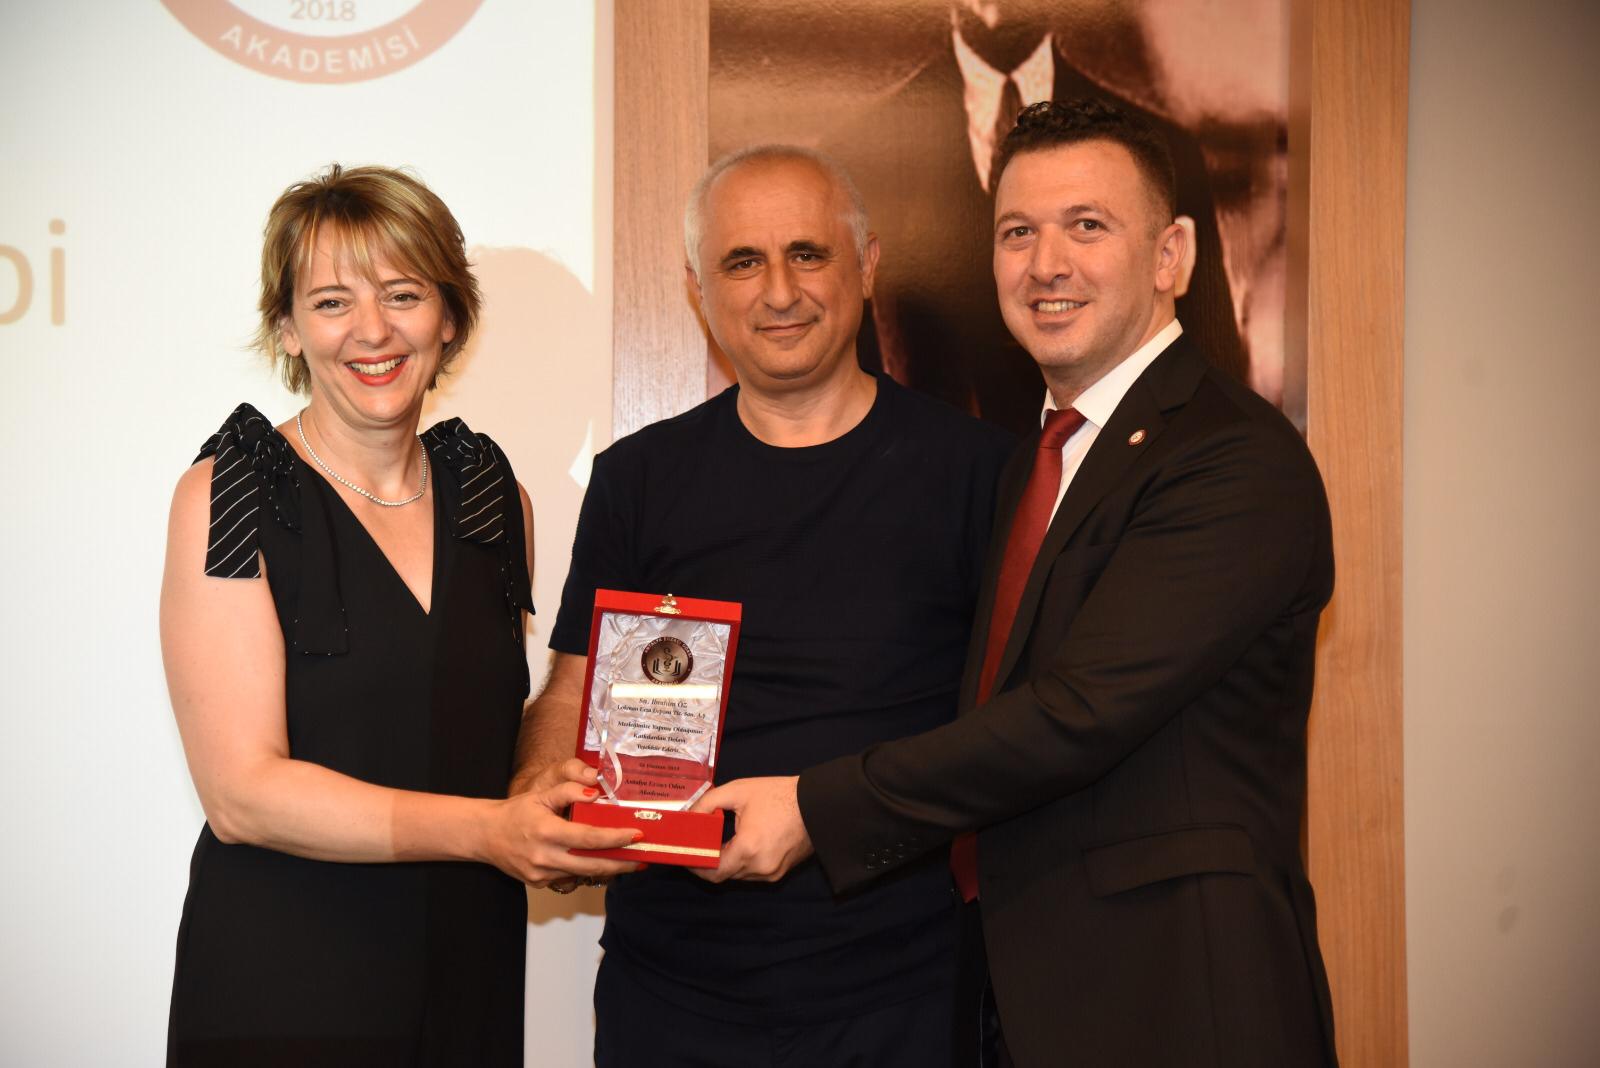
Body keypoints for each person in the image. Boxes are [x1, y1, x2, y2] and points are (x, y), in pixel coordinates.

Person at [699, 99, 1339, 1067]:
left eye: (1087, 226)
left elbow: (1078, 713)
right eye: (1017, 233)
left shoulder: (1231, 460)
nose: (1046, 264)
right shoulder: (1032, 462)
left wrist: (815, 808)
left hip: (1176, 996)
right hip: (1018, 991)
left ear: (1169, 256)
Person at [512, 145, 1012, 1066]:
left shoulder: (982, 474)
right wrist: (542, 781)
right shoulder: (637, 481)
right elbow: (572, 687)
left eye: (807, 254)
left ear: (867, 266)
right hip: (672, 993)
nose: (780, 291)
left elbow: (1013, 732)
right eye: (743, 262)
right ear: (698, 288)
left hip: (903, 991)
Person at [160, 164, 639, 1066]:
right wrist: (490, 831)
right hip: (286, 982)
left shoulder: (494, 498)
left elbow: (467, 727)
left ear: (449, 317)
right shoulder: (231, 494)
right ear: (288, 328)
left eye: (403, 294)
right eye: (331, 302)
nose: (372, 330)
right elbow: (241, 796)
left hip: (468, 970)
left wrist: (549, 796)